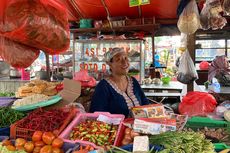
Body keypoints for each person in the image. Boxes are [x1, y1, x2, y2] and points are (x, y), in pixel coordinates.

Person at [90, 47, 149, 117]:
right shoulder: (103, 87)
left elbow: (145, 102)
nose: (125, 62)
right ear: (110, 64)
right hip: (116, 127)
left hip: (140, 125)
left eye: (126, 58)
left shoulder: (133, 81)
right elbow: (98, 114)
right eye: (118, 60)